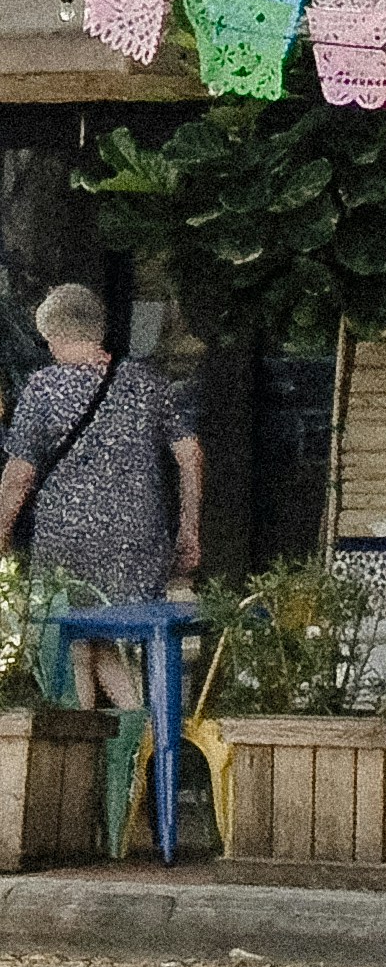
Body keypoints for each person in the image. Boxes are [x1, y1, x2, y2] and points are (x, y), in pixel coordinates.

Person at [0, 285, 205, 708]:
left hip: (66, 540)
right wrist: (189, 529)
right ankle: (139, 738)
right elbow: (191, 454)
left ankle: (88, 752)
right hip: (139, 539)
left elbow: (19, 476)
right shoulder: (146, 382)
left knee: (73, 639)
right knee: (103, 641)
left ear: (52, 336)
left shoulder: (43, 388)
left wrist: (1, 533)